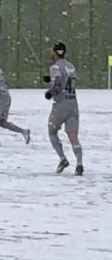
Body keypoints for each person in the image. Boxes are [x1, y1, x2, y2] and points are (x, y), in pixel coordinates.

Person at [43, 42, 83, 176]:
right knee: (73, 136)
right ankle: (79, 163)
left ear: (55, 52)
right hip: (73, 103)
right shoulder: (71, 66)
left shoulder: (54, 67)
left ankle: (62, 158)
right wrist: (50, 79)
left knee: (52, 131)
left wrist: (50, 92)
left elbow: (59, 82)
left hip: (61, 104)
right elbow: (67, 79)